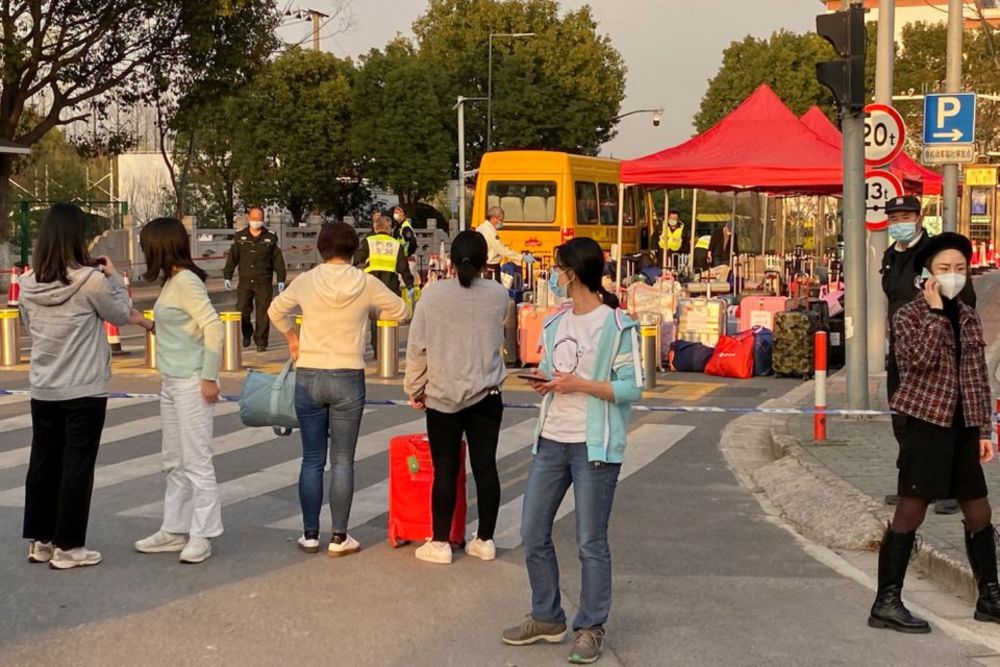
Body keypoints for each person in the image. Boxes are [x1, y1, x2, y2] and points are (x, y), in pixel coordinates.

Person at [502, 238, 641, 665]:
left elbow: (630, 388)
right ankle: (547, 615)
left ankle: (591, 626)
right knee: (532, 532)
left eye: (558, 269)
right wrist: (545, 379)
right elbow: (555, 370)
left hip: (593, 445)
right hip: (552, 439)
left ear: (574, 273)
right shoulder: (555, 322)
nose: (553, 277)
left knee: (590, 541)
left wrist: (576, 384)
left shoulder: (617, 326)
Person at [869, 232, 998, 634]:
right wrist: (935, 313)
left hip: (962, 426)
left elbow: (977, 376)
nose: (954, 276)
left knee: (979, 509)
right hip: (925, 423)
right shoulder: (909, 315)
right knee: (913, 507)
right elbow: (918, 364)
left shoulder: (969, 315)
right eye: (945, 269)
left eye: (960, 269)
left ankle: (989, 597)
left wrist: (984, 429)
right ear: (927, 274)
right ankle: (886, 601)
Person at [19, 203, 148, 569]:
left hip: (44, 387)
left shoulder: (28, 283)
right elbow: (119, 315)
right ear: (76, 238)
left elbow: (29, 323)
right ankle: (69, 545)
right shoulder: (91, 281)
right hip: (84, 387)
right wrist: (114, 278)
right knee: (77, 464)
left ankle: (41, 540)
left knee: (43, 462)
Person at [269, 222, 408, 556]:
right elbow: (401, 311)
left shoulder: (306, 281)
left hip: (309, 373)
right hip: (348, 374)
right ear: (353, 250)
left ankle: (310, 533)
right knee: (343, 460)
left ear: (320, 248)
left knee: (312, 459)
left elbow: (275, 310)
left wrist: (293, 337)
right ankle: (340, 537)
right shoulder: (366, 282)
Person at [403, 231, 509, 565]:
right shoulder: (498, 295)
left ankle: (439, 542)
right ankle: (486, 540)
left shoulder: (432, 297)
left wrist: (414, 389)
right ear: (483, 261)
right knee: (486, 468)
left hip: (443, 396)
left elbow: (418, 348)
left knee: (446, 470)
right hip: (486, 395)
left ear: (450, 261)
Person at [134, 218, 225, 564]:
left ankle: (202, 533)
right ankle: (174, 528)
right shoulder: (172, 280)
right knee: (173, 461)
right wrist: (145, 323)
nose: (143, 252)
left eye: (145, 245)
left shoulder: (186, 281)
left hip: (190, 382)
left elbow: (213, 327)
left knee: (196, 461)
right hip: (171, 380)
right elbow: (178, 329)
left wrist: (208, 377)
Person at [881, 195, 976, 514]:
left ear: (919, 218)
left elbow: (963, 298)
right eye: (894, 219)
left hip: (938, 349)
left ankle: (949, 489)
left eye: (905, 217)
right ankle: (913, 485)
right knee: (904, 419)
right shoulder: (890, 256)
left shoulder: (937, 255)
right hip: (902, 351)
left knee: (942, 421)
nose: (900, 224)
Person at [223, 207, 287, 352]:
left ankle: (261, 342)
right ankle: (247, 332)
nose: (256, 221)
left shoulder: (270, 237)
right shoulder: (240, 237)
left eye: (259, 219)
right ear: (248, 218)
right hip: (245, 281)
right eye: (253, 218)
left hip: (263, 281)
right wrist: (227, 275)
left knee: (263, 313)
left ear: (263, 219)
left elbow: (277, 260)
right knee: (242, 309)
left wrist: (281, 278)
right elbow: (232, 258)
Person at [354, 215, 415, 359]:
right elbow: (403, 267)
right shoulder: (395, 244)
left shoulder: (369, 241)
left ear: (375, 228)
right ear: (389, 229)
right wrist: (410, 285)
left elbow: (356, 259)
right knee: (389, 318)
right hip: (390, 286)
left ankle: (377, 349)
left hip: (371, 285)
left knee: (375, 319)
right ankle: (388, 350)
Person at [478, 206, 522, 282]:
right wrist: (520, 257)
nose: (502, 222)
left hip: (481, 266)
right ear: (494, 218)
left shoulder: (480, 228)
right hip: (490, 268)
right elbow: (501, 249)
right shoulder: (490, 231)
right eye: (501, 220)